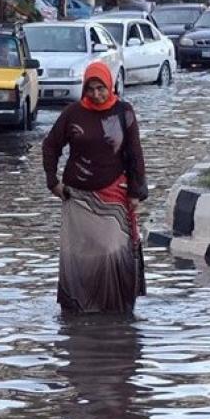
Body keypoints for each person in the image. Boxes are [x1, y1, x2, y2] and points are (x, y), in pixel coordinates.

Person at [42, 62, 148, 315]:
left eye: (101, 88)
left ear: (109, 86)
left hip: (114, 193)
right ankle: (81, 306)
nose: (96, 94)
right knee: (81, 252)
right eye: (90, 89)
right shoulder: (73, 113)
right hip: (77, 196)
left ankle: (115, 305)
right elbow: (50, 146)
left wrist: (136, 191)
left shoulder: (124, 112)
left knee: (112, 249)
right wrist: (53, 182)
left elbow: (135, 153)